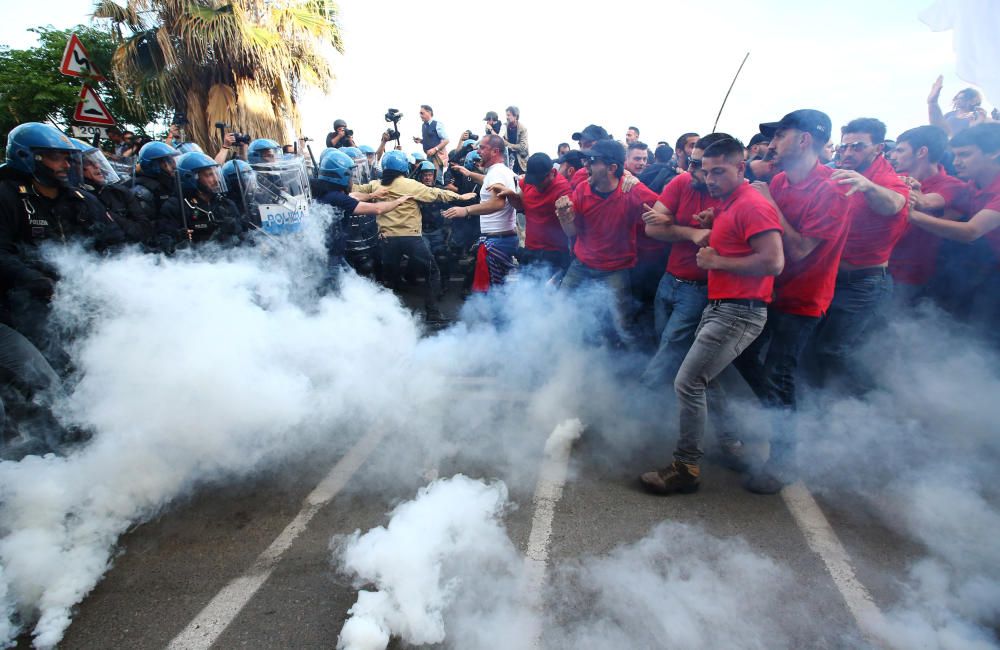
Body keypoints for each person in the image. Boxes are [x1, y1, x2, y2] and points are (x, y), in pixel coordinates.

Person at [640, 135, 783, 496]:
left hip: (740, 311)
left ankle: (686, 467)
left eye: (719, 171)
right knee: (708, 380)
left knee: (687, 382)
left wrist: (717, 261)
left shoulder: (753, 204)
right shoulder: (730, 203)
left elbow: (774, 261)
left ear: (740, 167)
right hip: (721, 305)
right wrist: (712, 217)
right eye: (705, 172)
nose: (710, 180)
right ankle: (731, 444)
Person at [735, 110, 851, 494]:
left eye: (780, 135)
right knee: (741, 354)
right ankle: (777, 413)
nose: (771, 144)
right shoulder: (780, 179)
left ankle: (783, 462)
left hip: (802, 300)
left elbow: (799, 248)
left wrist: (769, 201)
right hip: (768, 290)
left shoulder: (831, 189)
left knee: (778, 375)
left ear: (804, 140)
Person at [808, 118, 909, 389]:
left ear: (877, 148)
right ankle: (822, 409)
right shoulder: (838, 172)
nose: (849, 153)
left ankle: (870, 404)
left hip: (865, 283)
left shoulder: (886, 178)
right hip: (832, 279)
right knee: (812, 347)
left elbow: (895, 204)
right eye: (845, 147)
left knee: (835, 350)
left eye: (858, 147)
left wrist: (868, 186)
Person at [0, 123, 108, 363]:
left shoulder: (79, 200)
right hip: (21, 304)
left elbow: (106, 241)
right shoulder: (7, 196)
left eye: (67, 158)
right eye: (55, 158)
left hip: (73, 296)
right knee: (47, 375)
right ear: (27, 156)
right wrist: (33, 279)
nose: (66, 165)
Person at [639, 133, 728, 387]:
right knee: (664, 341)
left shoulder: (733, 196)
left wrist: (707, 229)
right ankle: (673, 391)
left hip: (700, 289)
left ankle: (639, 400)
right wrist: (691, 232)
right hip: (669, 279)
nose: (690, 169)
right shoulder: (681, 183)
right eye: (690, 161)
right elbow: (652, 228)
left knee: (669, 345)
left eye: (698, 165)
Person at [554, 139, 659, 347]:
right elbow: (571, 231)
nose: (586, 165)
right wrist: (564, 216)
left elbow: (665, 212)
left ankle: (629, 362)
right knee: (560, 305)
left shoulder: (632, 191)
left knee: (622, 321)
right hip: (582, 264)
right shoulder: (583, 189)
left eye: (592, 161)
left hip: (615, 269)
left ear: (612, 168)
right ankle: (566, 349)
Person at [353, 150, 474, 320]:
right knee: (432, 272)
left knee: (389, 279)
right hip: (412, 238)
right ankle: (432, 314)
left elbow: (354, 190)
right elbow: (437, 194)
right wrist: (461, 197)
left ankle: (386, 317)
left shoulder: (375, 185)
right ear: (403, 166)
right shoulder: (410, 185)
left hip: (387, 239)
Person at [907, 123, 1000, 335]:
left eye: (965, 155)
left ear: (994, 152)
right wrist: (913, 194)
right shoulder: (972, 185)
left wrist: (911, 214)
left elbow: (970, 231)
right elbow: (946, 214)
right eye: (955, 155)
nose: (957, 162)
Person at [887, 125, 966, 305]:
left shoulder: (952, 185)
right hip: (880, 266)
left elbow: (926, 202)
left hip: (911, 276)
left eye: (900, 150)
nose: (893, 155)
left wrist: (899, 190)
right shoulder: (895, 177)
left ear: (921, 152)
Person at [312, 149, 412, 281]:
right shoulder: (336, 197)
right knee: (333, 290)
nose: (352, 180)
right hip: (331, 256)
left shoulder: (325, 192)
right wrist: (399, 201)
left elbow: (352, 196)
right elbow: (377, 209)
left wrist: (372, 195)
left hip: (330, 252)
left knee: (351, 282)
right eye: (350, 175)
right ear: (341, 175)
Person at [442, 135, 519, 290]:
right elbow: (488, 180)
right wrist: (469, 174)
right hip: (500, 239)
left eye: (482, 148)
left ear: (495, 151)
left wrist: (465, 210)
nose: (478, 151)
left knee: (494, 292)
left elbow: (498, 203)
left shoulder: (497, 173)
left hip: (497, 241)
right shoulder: (498, 171)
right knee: (494, 289)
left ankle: (498, 315)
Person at [490, 152, 571, 274]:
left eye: (539, 181)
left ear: (552, 173)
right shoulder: (528, 183)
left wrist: (564, 212)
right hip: (531, 249)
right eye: (533, 181)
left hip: (554, 253)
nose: (536, 185)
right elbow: (521, 205)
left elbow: (570, 228)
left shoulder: (563, 189)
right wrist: (511, 195)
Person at [72, 138, 152, 246]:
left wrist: (111, 217)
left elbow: (145, 230)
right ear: (73, 167)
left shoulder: (120, 192)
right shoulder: (72, 200)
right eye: (89, 163)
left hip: (131, 254)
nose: (97, 166)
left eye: (97, 161)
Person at [158, 152, 244, 248]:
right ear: (193, 178)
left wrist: (236, 230)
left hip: (229, 260)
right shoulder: (176, 206)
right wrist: (177, 238)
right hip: (193, 261)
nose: (216, 180)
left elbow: (242, 241)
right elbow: (163, 244)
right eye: (209, 175)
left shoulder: (225, 204)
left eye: (216, 173)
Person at [130, 140, 180, 225]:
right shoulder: (142, 193)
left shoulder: (171, 183)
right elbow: (147, 226)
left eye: (173, 160)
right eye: (169, 162)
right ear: (154, 165)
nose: (174, 165)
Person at [413, 105, 450, 182]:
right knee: (428, 179)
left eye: (422, 113)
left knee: (437, 178)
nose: (420, 115)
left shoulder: (437, 124)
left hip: (437, 157)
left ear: (429, 112)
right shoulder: (424, 126)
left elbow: (446, 140)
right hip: (429, 156)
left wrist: (435, 149)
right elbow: (430, 140)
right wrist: (420, 141)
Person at [499, 106, 529, 175]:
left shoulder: (523, 129)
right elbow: (499, 137)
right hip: (507, 159)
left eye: (509, 115)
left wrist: (507, 144)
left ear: (515, 116)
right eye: (506, 115)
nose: (507, 117)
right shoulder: (504, 126)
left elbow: (522, 147)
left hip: (520, 161)